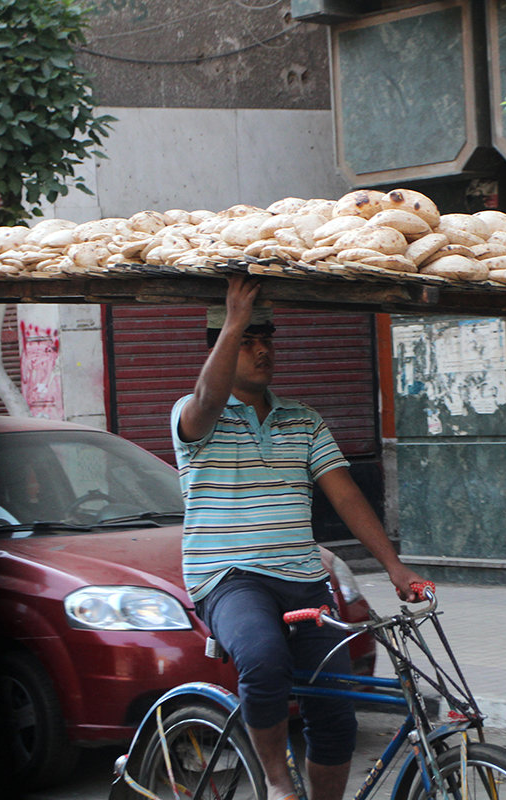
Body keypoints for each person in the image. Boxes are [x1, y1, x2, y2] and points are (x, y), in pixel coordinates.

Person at [171, 275, 425, 800]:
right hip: (229, 577)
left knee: (335, 708)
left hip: (304, 580)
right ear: (221, 348)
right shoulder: (194, 417)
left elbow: (348, 497)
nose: (261, 350)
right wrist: (233, 317)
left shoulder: (304, 421)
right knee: (264, 661)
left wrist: (396, 569)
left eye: (266, 339)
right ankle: (278, 782)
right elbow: (205, 396)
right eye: (247, 341)